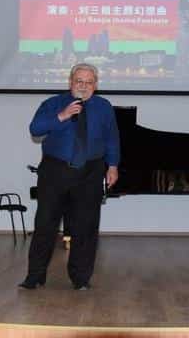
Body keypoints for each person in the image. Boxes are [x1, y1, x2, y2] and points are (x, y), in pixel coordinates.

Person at [20, 63, 120, 290]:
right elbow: (35, 129)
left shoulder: (104, 107)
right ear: (70, 82)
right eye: (79, 81)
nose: (83, 86)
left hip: (90, 172)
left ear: (96, 85)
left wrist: (113, 166)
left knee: (86, 227)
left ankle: (80, 278)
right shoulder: (53, 103)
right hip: (55, 171)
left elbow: (112, 138)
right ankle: (35, 276)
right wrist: (62, 116)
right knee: (45, 224)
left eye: (89, 82)